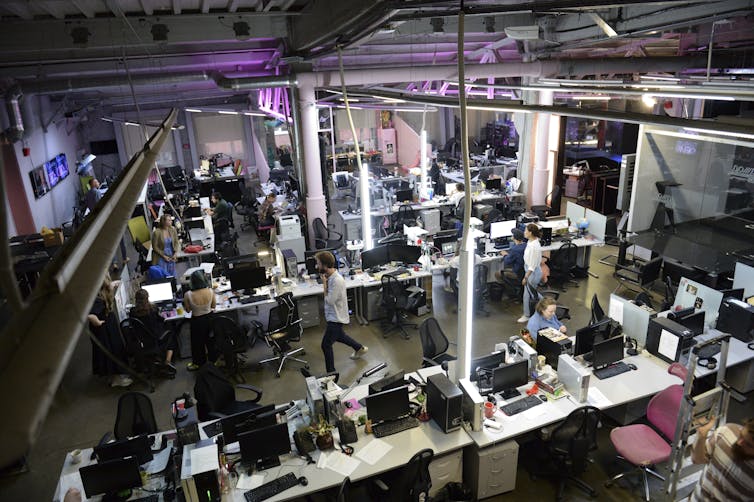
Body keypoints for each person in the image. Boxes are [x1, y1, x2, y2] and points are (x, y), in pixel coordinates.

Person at [316, 250, 367, 373]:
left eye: (318, 263)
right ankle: (360, 348)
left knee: (326, 345)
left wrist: (324, 285)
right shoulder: (330, 277)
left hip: (336, 318)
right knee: (340, 336)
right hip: (333, 316)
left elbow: (330, 301)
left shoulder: (337, 280)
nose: (317, 266)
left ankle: (331, 373)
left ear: (325, 265)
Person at [690, 416, 754, 501]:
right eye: (741, 434)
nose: (739, 442)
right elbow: (697, 459)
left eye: (749, 444)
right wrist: (701, 436)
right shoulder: (726, 431)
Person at [87, 273, 132, 387]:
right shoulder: (97, 300)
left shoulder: (98, 293)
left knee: (111, 349)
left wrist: (112, 284)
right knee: (112, 350)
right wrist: (95, 320)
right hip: (103, 328)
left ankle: (112, 375)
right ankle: (116, 378)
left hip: (106, 324)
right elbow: (88, 313)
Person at [129, 289, 178, 372]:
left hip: (142, 342)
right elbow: (161, 320)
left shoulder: (132, 312)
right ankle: (167, 361)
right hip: (155, 338)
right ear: (147, 298)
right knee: (171, 334)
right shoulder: (153, 309)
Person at [183, 270, 217, 371]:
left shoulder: (188, 294)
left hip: (197, 321)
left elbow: (188, 310)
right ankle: (213, 361)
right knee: (211, 341)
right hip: (209, 319)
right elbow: (213, 306)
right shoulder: (210, 291)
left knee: (197, 344)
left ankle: (198, 363)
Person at [519, 223, 543, 323]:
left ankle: (527, 315)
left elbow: (532, 266)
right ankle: (547, 305)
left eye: (526, 231)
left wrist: (525, 277)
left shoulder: (534, 247)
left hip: (532, 272)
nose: (524, 233)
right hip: (529, 269)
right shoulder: (531, 241)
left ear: (531, 233)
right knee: (532, 293)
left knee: (528, 294)